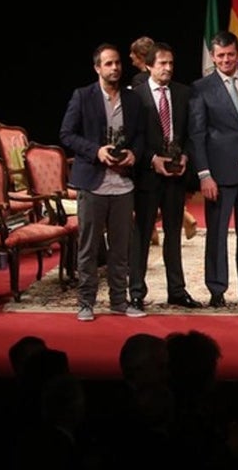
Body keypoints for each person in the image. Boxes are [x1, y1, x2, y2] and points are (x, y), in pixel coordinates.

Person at [59, 43, 148, 322]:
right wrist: (95, 151)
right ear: (97, 68)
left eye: (117, 63)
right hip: (93, 183)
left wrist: (135, 153)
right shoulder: (83, 96)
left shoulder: (133, 99)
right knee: (89, 248)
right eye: (108, 64)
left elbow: (142, 136)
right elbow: (66, 134)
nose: (115, 68)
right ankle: (86, 302)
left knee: (122, 249)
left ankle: (119, 302)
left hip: (123, 185)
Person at [189, 30, 238, 309]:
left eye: (230, 55)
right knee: (217, 234)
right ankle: (217, 290)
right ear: (213, 57)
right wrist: (204, 174)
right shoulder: (201, 88)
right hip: (219, 174)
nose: (226, 60)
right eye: (220, 55)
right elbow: (197, 135)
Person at [131, 41, 202, 310]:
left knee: (174, 233)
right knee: (142, 234)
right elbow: (133, 137)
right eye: (162, 63)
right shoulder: (136, 96)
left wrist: (184, 156)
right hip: (148, 176)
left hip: (176, 175)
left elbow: (190, 133)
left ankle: (177, 291)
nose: (168, 68)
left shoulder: (183, 93)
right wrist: (151, 160)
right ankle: (137, 292)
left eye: (171, 63)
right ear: (148, 65)